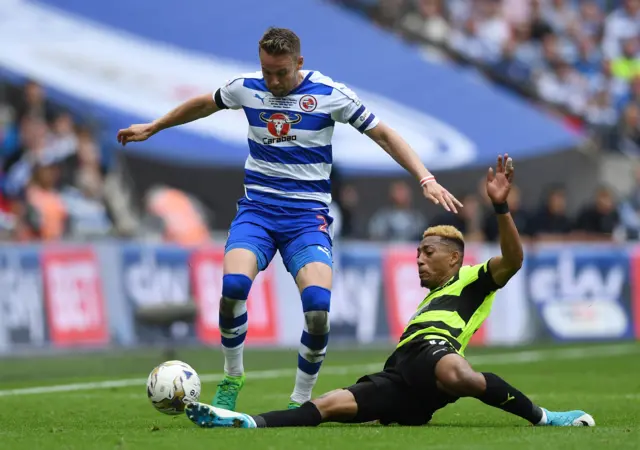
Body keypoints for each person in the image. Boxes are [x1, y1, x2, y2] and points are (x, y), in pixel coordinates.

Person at [116, 27, 461, 410]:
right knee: (232, 288)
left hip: (305, 219)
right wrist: (155, 126)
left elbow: (383, 134)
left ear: (299, 62)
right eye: (267, 72)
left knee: (317, 309)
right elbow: (203, 104)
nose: (274, 81)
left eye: (281, 72)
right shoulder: (245, 88)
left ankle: (300, 400)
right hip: (257, 213)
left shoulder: (331, 95)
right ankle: (232, 376)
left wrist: (425, 178)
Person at [183, 154, 595, 429]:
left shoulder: (472, 279)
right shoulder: (430, 298)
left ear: (453, 259)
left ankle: (545, 418)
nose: (418, 259)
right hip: (403, 371)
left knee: (456, 372)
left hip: (437, 353)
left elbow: (513, 261)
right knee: (329, 405)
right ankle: (249, 422)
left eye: (427, 252)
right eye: (416, 253)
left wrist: (501, 209)